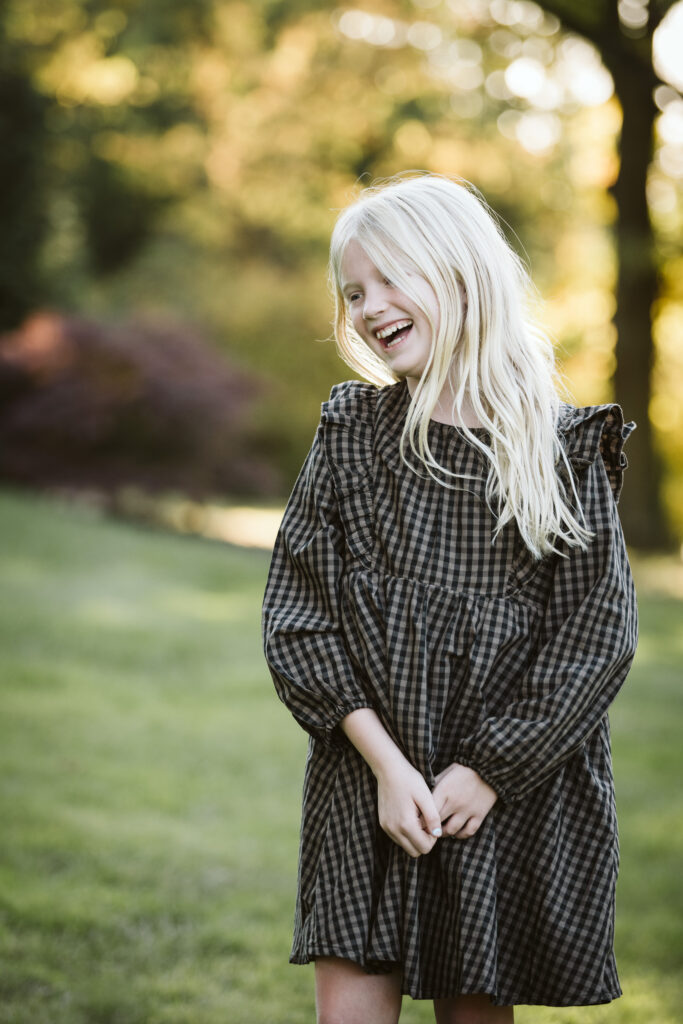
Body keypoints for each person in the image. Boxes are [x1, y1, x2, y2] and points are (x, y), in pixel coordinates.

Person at [261, 173, 638, 1024]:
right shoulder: (353, 434)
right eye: (353, 291)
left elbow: (595, 638)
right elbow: (299, 615)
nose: (369, 305)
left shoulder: (561, 456)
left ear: (461, 275)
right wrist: (388, 768)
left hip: (491, 798)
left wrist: (486, 772)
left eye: (392, 278)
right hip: (369, 787)